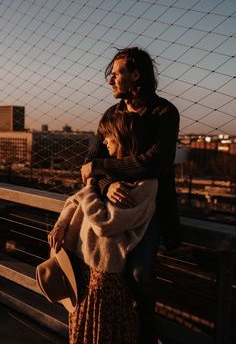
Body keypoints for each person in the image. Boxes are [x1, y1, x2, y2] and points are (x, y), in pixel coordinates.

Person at [81, 46, 180, 344]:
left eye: (117, 74)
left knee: (138, 274)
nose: (110, 80)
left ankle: (145, 327)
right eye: (111, 75)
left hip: (151, 210)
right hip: (110, 206)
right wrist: (106, 184)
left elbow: (155, 163)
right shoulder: (110, 115)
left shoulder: (164, 112)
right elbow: (88, 168)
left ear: (136, 74)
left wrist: (103, 168)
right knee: (104, 275)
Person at [48, 112, 158, 344]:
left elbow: (104, 224)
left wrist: (90, 186)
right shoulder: (109, 172)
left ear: (123, 137)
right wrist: (61, 224)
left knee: (100, 335)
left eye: (108, 136)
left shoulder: (145, 184)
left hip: (105, 278)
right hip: (81, 269)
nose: (104, 141)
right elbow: (74, 200)